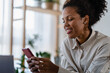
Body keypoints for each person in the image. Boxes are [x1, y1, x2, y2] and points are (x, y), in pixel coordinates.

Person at [27, 0, 110, 73]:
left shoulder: (105, 44)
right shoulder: (67, 44)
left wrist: (56, 70)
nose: (65, 25)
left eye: (70, 19)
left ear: (85, 20)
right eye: (63, 21)